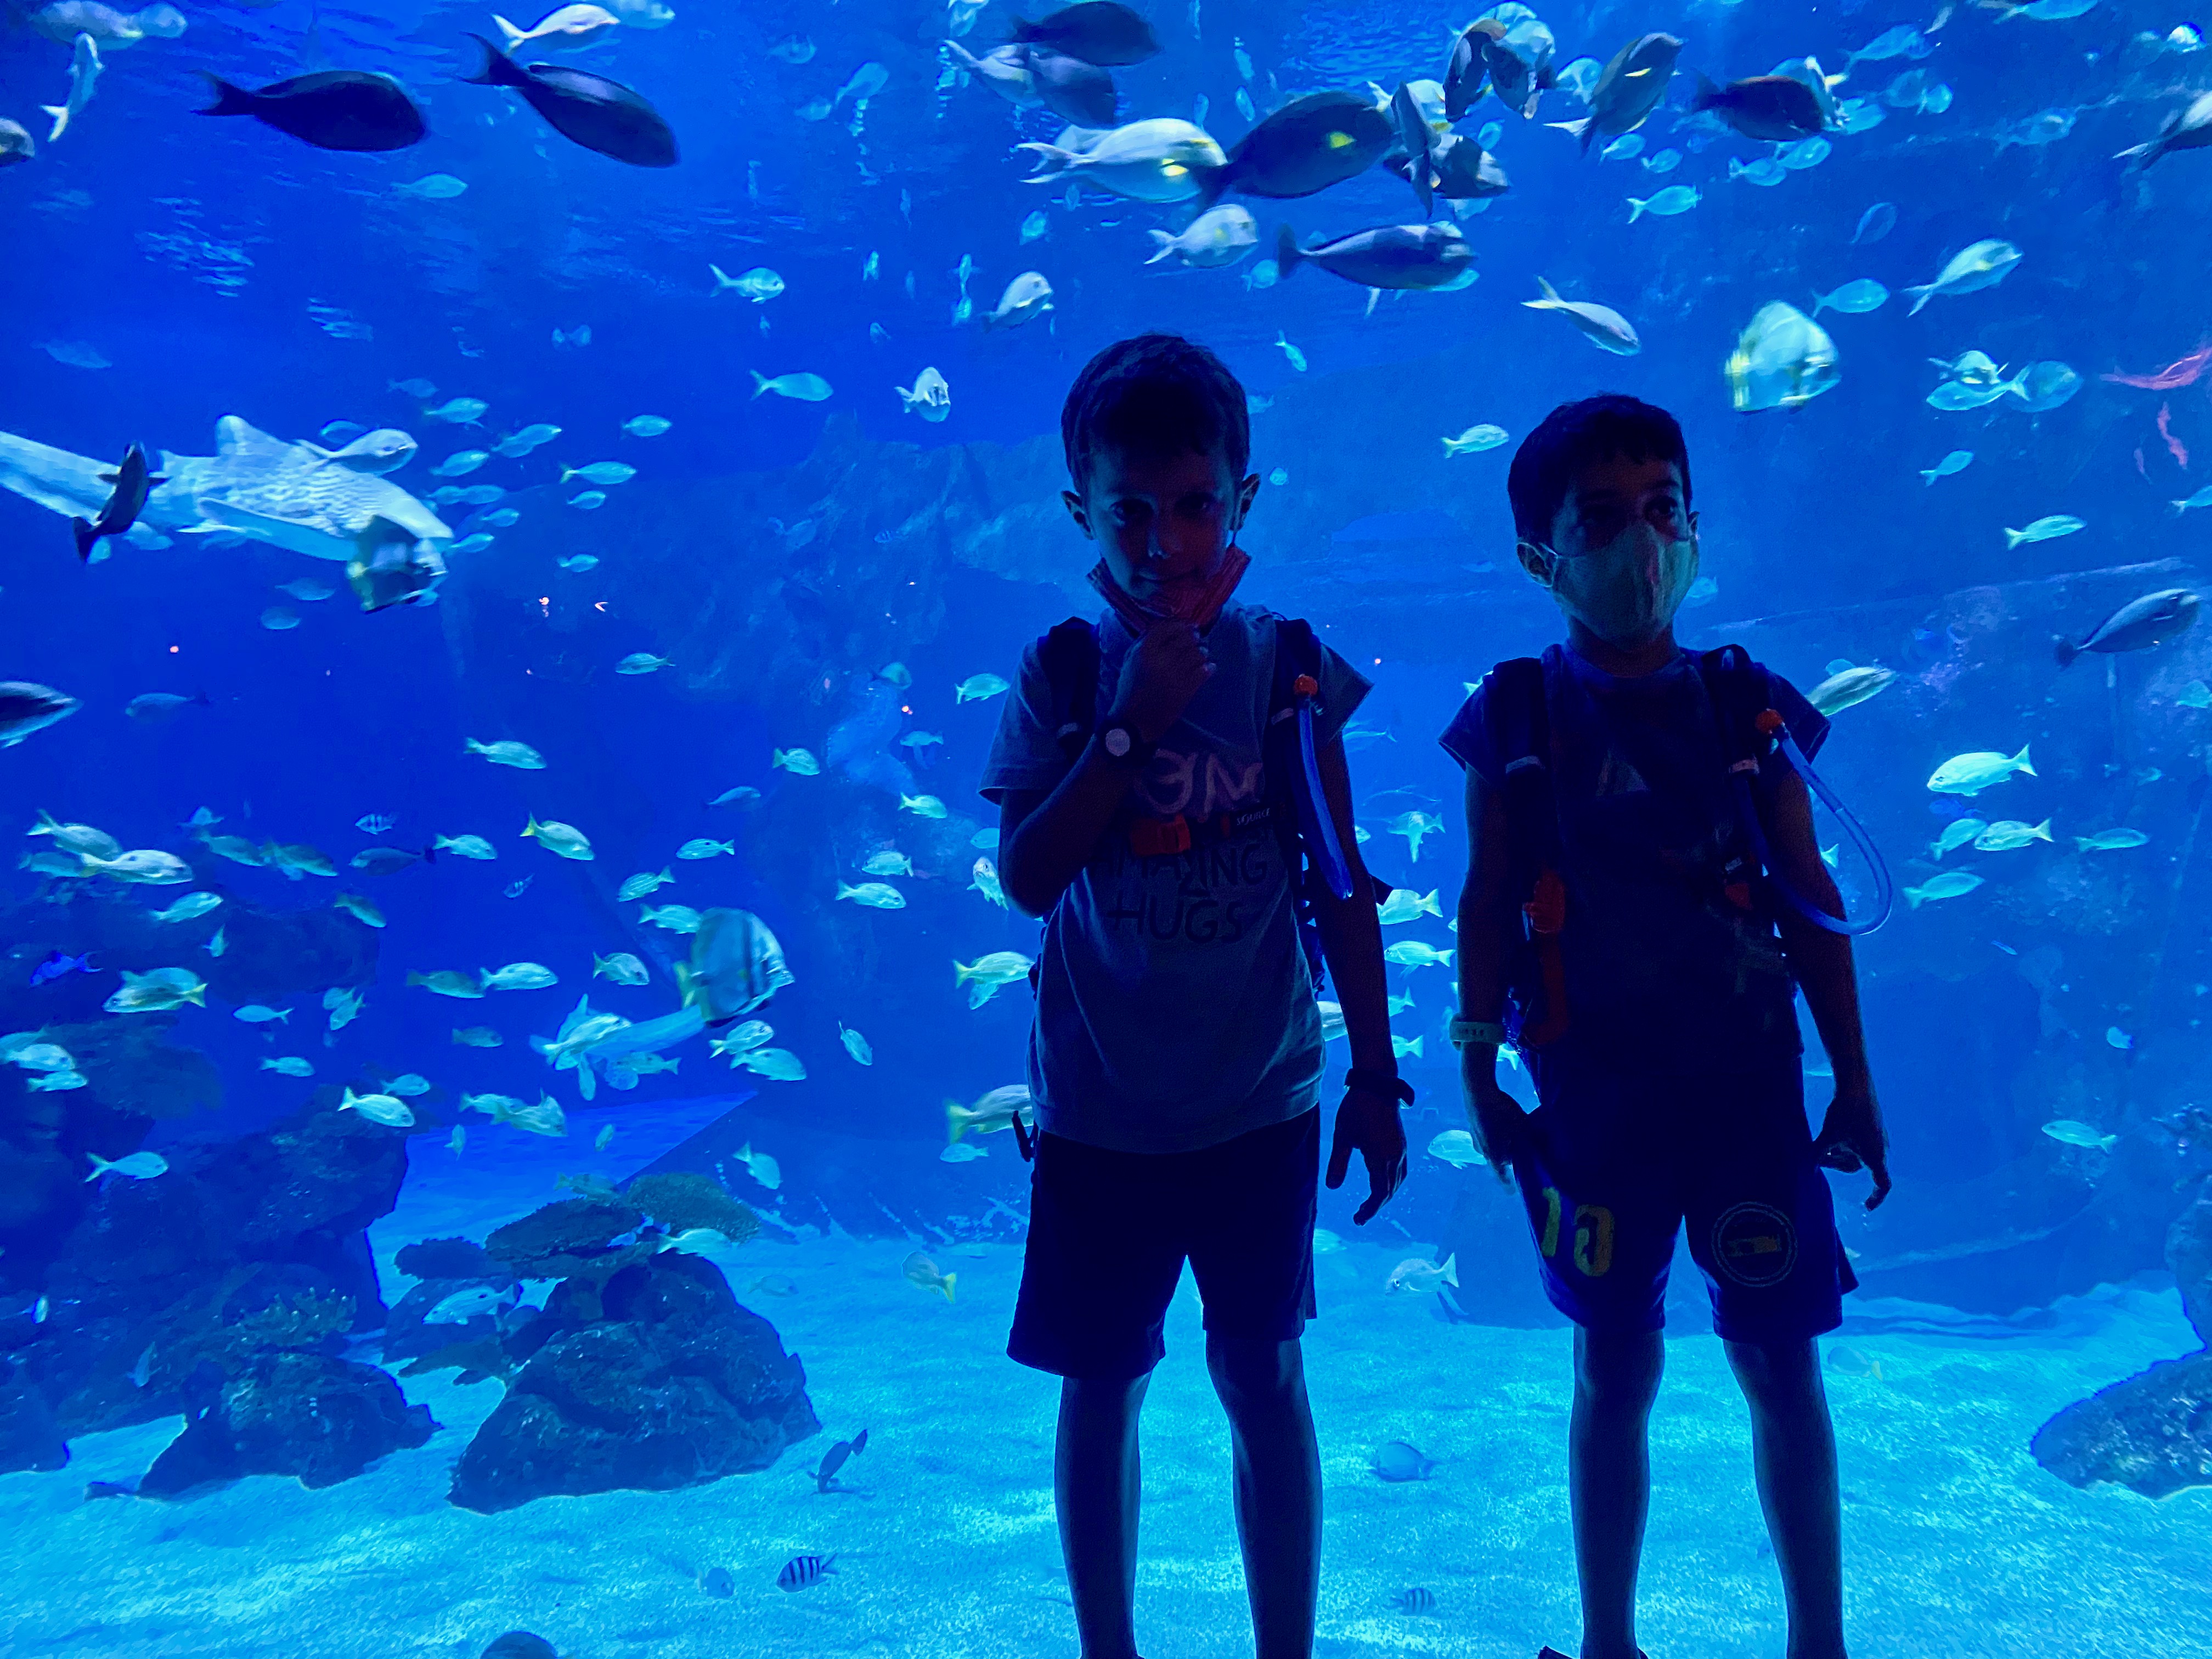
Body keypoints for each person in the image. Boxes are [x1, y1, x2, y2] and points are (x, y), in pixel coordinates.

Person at [1440, 395, 1891, 1659]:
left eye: (1663, 509)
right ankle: (1609, 1643)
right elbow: (1485, 898)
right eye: (1600, 520)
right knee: (1613, 1366)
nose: (1642, 544)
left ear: (1695, 525)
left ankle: (1818, 1644)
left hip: (1748, 1095)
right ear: (1541, 558)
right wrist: (1477, 1066)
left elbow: (1814, 901)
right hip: (1593, 1100)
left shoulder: (1747, 706)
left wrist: (1855, 1082)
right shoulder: (1513, 717)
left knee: (1781, 1365)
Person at [980, 332, 1408, 1659]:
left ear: (1243, 498)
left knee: (1261, 1371)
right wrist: (1131, 722)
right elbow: (1027, 877)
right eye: (1129, 512)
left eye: (1194, 505)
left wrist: (1377, 1076)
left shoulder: (1290, 668)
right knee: (1101, 1383)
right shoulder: (1061, 670)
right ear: (1081, 513)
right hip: (1100, 1109)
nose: (1164, 543)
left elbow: (1341, 883)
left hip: (1258, 1100)